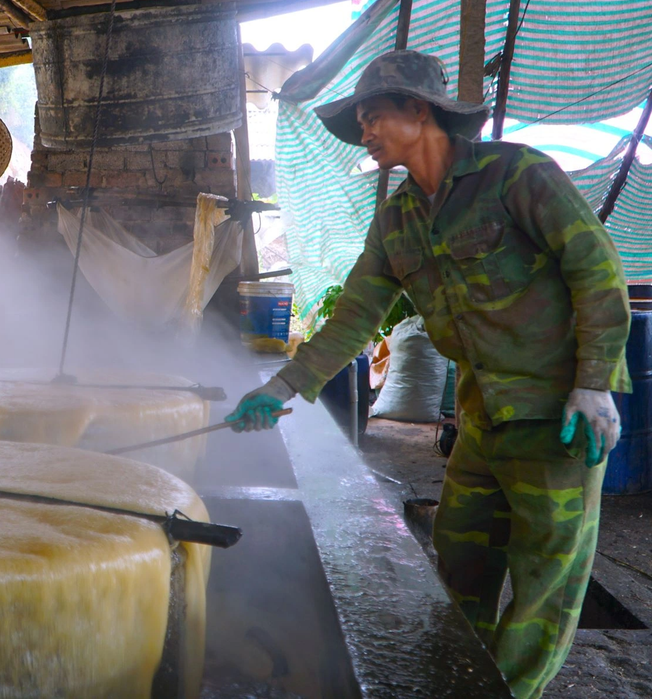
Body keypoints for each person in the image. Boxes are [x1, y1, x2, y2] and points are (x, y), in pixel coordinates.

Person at [227, 50, 631, 699]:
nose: (364, 131)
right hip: (480, 422)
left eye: (373, 116)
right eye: (360, 120)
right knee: (460, 563)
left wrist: (594, 382)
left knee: (541, 590)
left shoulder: (514, 173)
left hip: (556, 418)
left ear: (420, 109)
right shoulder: (398, 220)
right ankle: (458, 682)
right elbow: (353, 318)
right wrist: (278, 390)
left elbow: (597, 268)